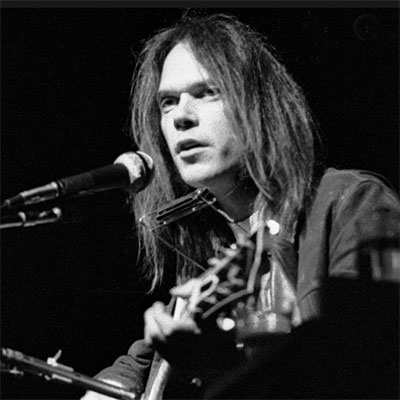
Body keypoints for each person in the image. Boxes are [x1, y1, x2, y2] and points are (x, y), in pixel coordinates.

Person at [82, 11, 399, 399]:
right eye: (168, 102)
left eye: (207, 92)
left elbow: (369, 358)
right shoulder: (210, 250)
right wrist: (113, 384)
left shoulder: (353, 202)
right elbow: (142, 363)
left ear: (259, 105)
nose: (181, 117)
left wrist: (224, 358)